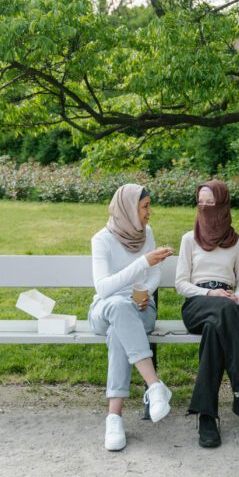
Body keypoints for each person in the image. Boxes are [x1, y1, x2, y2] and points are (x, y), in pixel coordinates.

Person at [176, 180, 239, 448]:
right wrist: (210, 295)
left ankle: (206, 416)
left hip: (226, 308)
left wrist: (238, 296)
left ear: (223, 206)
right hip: (197, 304)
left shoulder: (238, 242)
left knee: (216, 330)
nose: (204, 208)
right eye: (200, 203)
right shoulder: (188, 239)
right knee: (224, 312)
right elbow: (181, 284)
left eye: (210, 203)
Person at [88, 183, 174, 451]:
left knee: (120, 329)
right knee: (117, 307)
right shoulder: (101, 239)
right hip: (105, 309)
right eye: (145, 206)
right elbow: (103, 288)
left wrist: (145, 291)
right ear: (128, 208)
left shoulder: (146, 232)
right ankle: (155, 384)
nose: (150, 212)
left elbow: (154, 274)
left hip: (140, 310)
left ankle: (114, 416)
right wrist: (143, 262)